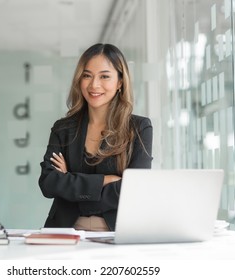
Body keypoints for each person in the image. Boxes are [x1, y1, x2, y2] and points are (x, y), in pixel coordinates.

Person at [38, 43, 153, 231]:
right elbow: (49, 183)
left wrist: (71, 181)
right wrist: (105, 180)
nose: (94, 85)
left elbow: (136, 189)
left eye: (105, 76)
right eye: (87, 75)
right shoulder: (63, 128)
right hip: (65, 230)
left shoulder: (139, 128)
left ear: (120, 82)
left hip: (119, 231)